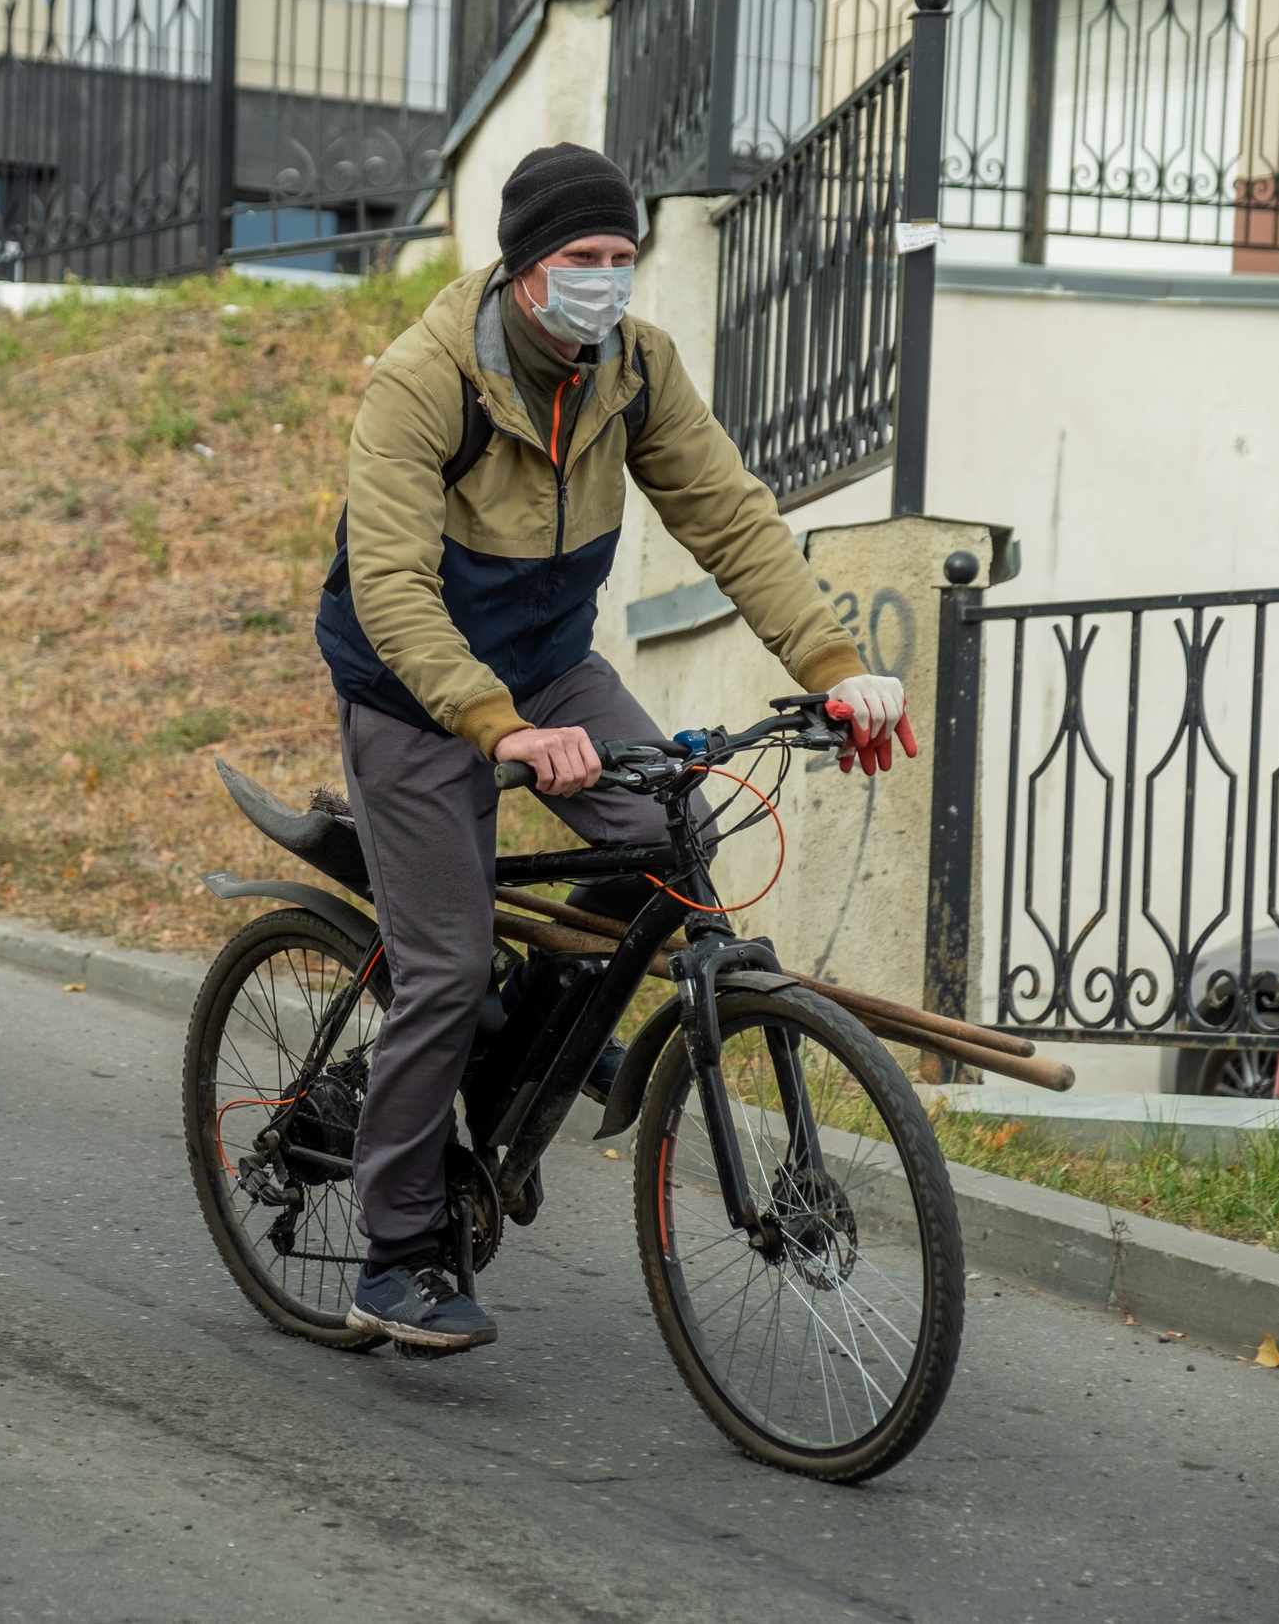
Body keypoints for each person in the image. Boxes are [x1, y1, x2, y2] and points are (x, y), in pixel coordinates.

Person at [315, 144, 910, 1353]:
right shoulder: (426, 378)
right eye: (581, 261)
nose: (605, 282)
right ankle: (392, 1254)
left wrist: (836, 672)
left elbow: (732, 519)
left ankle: (536, 1029)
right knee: (441, 966)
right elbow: (388, 584)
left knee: (670, 833)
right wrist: (501, 730)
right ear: (524, 267)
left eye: (621, 259)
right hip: (412, 688)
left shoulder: (632, 371)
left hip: (549, 664)